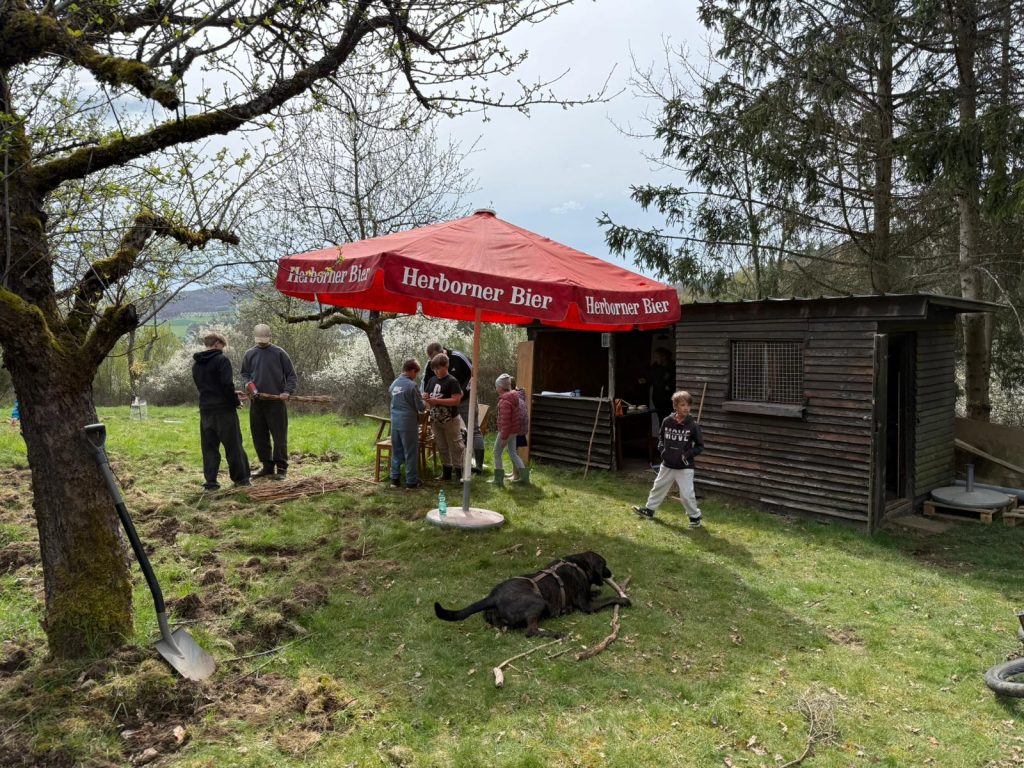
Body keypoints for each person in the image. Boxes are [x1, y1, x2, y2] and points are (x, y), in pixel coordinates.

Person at [632, 390, 705, 527]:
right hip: (667, 464)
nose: (686, 408)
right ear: (675, 406)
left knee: (686, 495)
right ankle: (649, 510)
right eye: (683, 405)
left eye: (688, 405)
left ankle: (695, 518)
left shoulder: (693, 425)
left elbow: (700, 446)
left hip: (684, 466)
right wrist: (663, 451)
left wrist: (686, 455)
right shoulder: (667, 422)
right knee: (658, 487)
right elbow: (660, 439)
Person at [192, 332, 251, 490]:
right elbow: (226, 385)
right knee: (234, 445)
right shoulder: (221, 360)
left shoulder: (196, 364)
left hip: (206, 410)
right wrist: (235, 401)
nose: (223, 350)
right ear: (217, 343)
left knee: (209, 448)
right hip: (224, 410)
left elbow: (206, 387)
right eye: (222, 346)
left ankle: (210, 482)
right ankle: (242, 479)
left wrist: (232, 394)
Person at [241, 323, 298, 480]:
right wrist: (248, 385)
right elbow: (245, 374)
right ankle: (267, 466)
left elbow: (291, 376)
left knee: (279, 437)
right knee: (259, 436)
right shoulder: (249, 354)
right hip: (257, 402)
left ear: (269, 337)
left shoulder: (279, 353)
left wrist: (287, 391)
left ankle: (281, 469)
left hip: (276, 403)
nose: (262, 342)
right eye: (259, 340)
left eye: (264, 340)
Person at [425, 341, 484, 474]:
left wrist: (463, 391)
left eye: (437, 358)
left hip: (466, 399)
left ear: (443, 352)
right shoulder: (431, 364)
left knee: (473, 430)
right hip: (443, 407)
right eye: (432, 361)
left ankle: (479, 466)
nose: (436, 364)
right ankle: (451, 466)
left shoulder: (458, 357)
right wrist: (427, 396)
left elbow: (473, 374)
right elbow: (426, 381)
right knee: (446, 437)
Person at [423, 353, 464, 482]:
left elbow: (456, 400)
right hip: (436, 419)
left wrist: (438, 401)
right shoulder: (432, 380)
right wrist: (425, 397)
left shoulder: (452, 381)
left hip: (450, 419)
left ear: (446, 366)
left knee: (455, 445)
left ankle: (460, 472)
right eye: (434, 369)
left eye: (438, 368)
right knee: (441, 446)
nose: (436, 371)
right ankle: (446, 472)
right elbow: (427, 393)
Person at [388, 358, 426, 489]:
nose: (416, 376)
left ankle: (395, 479)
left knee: (396, 450)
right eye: (416, 373)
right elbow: (421, 407)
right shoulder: (412, 385)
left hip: (394, 422)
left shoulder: (393, 384)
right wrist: (425, 400)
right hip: (408, 423)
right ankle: (411, 481)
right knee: (410, 451)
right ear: (411, 371)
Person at [490, 374, 528, 486]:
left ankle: (498, 479)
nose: (496, 388)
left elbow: (505, 422)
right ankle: (525, 478)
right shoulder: (514, 397)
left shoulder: (504, 401)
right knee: (513, 453)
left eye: (496, 386)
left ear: (501, 388)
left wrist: (504, 437)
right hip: (514, 431)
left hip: (506, 431)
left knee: (496, 452)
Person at [648, 347, 676, 423]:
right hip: (658, 399)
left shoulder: (672, 366)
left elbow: (673, 382)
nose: (655, 359)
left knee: (670, 419)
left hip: (669, 399)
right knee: (661, 419)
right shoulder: (655, 367)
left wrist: (668, 386)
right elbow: (653, 380)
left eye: (657, 357)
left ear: (664, 357)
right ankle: (662, 434)